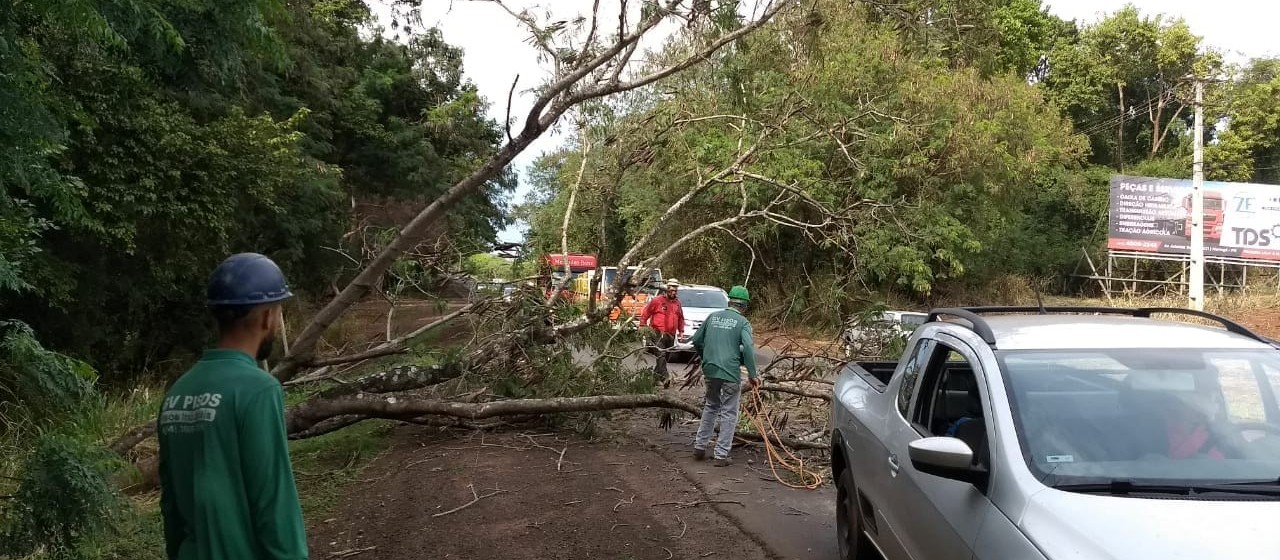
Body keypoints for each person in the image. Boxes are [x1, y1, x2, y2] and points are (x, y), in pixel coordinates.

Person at [157, 253, 308, 560]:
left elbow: (170, 507)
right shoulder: (258, 389)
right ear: (268, 316)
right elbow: (273, 502)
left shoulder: (177, 392)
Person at [691, 285, 759, 466]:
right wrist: (753, 374)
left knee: (711, 406)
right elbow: (749, 348)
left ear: (729, 301)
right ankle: (721, 455)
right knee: (729, 412)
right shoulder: (743, 323)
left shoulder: (712, 317)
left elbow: (696, 340)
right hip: (730, 372)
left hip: (710, 370)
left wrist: (705, 356)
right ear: (744, 306)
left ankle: (700, 446)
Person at [640, 278, 685, 386]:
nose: (673, 293)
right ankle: (665, 378)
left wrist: (681, 331)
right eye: (671, 290)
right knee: (661, 355)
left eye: (675, 291)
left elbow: (680, 318)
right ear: (666, 290)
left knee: (664, 358)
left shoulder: (677, 303)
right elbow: (646, 312)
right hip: (657, 333)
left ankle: (654, 379)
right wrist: (642, 325)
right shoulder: (657, 301)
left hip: (671, 335)